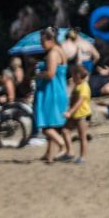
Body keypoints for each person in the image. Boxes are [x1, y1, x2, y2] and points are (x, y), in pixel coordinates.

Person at [33, 27, 70, 163]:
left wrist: (38, 74)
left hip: (51, 92)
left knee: (46, 127)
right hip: (58, 91)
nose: (41, 44)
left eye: (42, 41)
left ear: (50, 39)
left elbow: (50, 74)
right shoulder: (60, 50)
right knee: (52, 125)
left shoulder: (53, 53)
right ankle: (49, 154)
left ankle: (62, 145)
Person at [64, 63, 91, 163]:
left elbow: (80, 101)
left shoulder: (84, 86)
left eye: (73, 75)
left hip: (82, 115)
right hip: (75, 114)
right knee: (65, 131)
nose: (72, 77)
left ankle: (82, 157)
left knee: (82, 136)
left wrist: (70, 112)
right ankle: (69, 152)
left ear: (78, 75)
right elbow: (70, 97)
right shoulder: (77, 85)